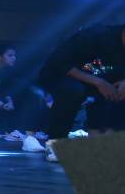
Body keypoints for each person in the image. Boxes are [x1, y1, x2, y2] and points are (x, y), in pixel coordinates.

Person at [38, 24, 125, 161]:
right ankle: (55, 143)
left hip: (104, 78)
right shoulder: (93, 36)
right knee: (72, 91)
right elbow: (60, 63)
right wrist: (98, 82)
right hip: (64, 75)